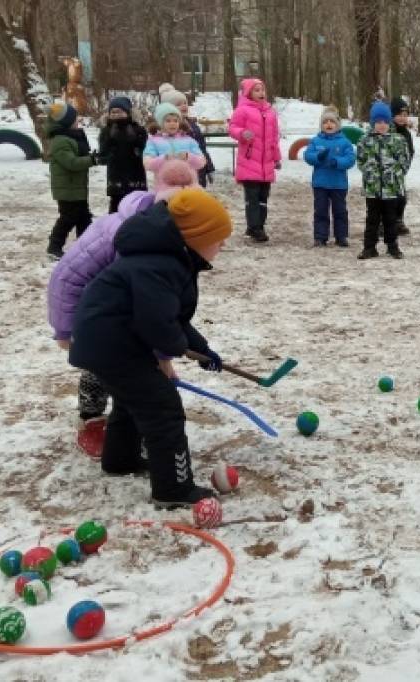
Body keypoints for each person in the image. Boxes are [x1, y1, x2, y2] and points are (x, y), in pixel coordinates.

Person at [68, 188, 232, 506]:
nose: (223, 245)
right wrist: (177, 345)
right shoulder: (159, 266)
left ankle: (121, 459)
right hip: (113, 345)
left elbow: (173, 318)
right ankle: (174, 489)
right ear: (194, 238)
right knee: (163, 409)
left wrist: (202, 350)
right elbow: (157, 322)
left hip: (109, 342)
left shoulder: (167, 260)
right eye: (218, 238)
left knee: (133, 402)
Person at [47, 162, 199, 457]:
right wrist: (65, 328)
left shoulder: (159, 232)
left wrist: (161, 356)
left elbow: (156, 309)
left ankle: (125, 428)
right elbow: (66, 278)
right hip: (87, 311)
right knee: (102, 364)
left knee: (128, 365)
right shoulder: (132, 236)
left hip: (117, 308)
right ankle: (91, 420)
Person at [229, 78, 282, 242]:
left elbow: (274, 138)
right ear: (248, 93)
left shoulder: (270, 112)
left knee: (263, 198)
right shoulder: (242, 110)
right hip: (249, 161)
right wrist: (241, 133)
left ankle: (259, 225)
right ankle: (255, 227)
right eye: (256, 90)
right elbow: (232, 127)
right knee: (252, 197)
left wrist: (276, 158)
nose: (261, 93)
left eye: (262, 90)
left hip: (265, 164)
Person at [356, 101, 410, 260]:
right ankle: (369, 247)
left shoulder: (398, 140)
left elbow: (404, 162)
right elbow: (360, 161)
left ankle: (393, 247)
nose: (382, 125)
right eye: (378, 122)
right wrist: (370, 171)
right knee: (372, 219)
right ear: (373, 123)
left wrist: (394, 173)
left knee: (390, 219)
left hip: (391, 188)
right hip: (372, 188)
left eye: (385, 122)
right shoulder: (365, 141)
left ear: (389, 122)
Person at [44, 101, 98, 261]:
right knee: (68, 218)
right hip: (67, 190)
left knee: (84, 217)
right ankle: (54, 247)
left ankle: (85, 246)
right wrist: (92, 160)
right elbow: (72, 163)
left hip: (76, 188)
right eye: (75, 119)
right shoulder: (60, 141)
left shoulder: (70, 138)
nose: (78, 122)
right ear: (66, 122)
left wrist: (91, 157)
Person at [303, 107, 355, 247]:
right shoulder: (315, 141)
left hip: (338, 184)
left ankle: (341, 236)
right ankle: (320, 236)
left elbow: (350, 159)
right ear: (321, 125)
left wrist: (337, 162)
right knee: (320, 211)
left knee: (340, 211)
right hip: (320, 183)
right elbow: (307, 156)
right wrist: (318, 157)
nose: (329, 124)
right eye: (325, 122)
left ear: (337, 125)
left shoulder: (345, 142)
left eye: (332, 121)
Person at [144, 103, 207, 196]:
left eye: (175, 121)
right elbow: (148, 164)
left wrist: (188, 157)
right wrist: (164, 158)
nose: (172, 123)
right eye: (168, 121)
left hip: (189, 187)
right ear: (160, 123)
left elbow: (202, 162)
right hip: (165, 188)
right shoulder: (153, 141)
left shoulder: (189, 140)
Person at [98, 96, 148, 213]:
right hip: (116, 175)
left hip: (135, 174)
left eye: (119, 111)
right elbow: (103, 154)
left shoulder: (138, 130)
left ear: (128, 112)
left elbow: (144, 149)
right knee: (116, 208)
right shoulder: (106, 131)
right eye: (113, 112)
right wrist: (109, 142)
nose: (116, 114)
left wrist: (137, 143)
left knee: (136, 206)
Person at [161, 88, 216, 188]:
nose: (183, 106)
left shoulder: (193, 125)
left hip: (199, 172)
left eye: (185, 103)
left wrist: (209, 168)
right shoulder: (168, 129)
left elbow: (202, 149)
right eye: (178, 104)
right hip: (180, 175)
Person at [390, 97, 414, 236]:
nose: (402, 118)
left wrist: (404, 166)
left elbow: (410, 151)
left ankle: (398, 220)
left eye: (405, 115)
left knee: (401, 197)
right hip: (386, 173)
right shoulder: (388, 131)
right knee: (386, 199)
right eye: (398, 115)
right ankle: (385, 222)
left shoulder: (406, 134)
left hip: (400, 172)